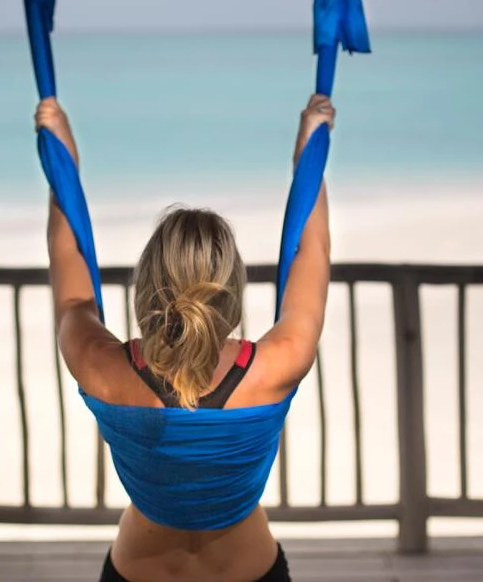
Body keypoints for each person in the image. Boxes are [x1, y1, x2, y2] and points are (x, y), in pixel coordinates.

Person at [39, 93, 335, 582]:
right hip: (250, 571)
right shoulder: (280, 364)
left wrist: (62, 159)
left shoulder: (100, 367)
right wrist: (310, 147)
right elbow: (311, 248)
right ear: (232, 294)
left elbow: (69, 272)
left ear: (146, 288)